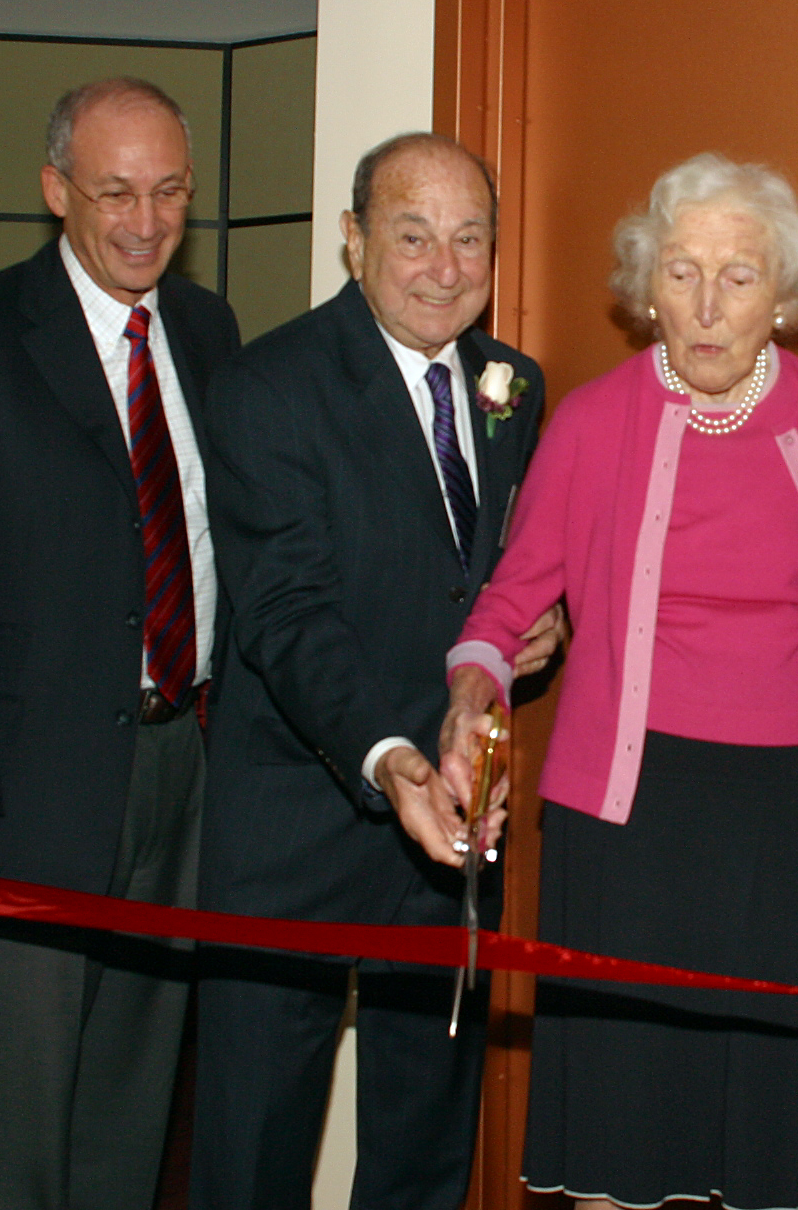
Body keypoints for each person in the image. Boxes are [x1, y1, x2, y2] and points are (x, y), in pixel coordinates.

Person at [443, 152, 798, 1210]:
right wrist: (468, 695)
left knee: (779, 1146)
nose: (705, 307)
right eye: (679, 271)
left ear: (785, 298)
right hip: (626, 818)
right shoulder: (591, 419)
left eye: (738, 276)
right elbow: (507, 601)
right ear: (643, 284)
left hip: (795, 821)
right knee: (625, 1132)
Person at [0, 76, 240, 1209]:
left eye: (170, 191)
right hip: (20, 796)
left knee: (130, 1101)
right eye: (115, 191)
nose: (145, 221)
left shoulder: (207, 326)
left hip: (181, 769)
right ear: (54, 191)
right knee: (12, 1120)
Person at [191, 132, 560, 1210]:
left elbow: (499, 575)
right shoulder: (267, 385)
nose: (444, 267)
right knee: (253, 1145)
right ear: (352, 242)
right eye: (412, 236)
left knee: (422, 1141)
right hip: (297, 825)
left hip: (451, 829)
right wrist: (392, 758)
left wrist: (535, 628)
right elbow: (284, 611)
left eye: (468, 238)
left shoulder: (514, 387)